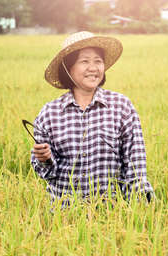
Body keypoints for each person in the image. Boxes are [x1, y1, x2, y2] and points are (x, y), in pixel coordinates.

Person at [31, 31, 153, 203]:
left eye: (98, 61)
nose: (93, 68)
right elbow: (46, 173)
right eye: (84, 61)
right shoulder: (50, 113)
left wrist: (143, 211)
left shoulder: (121, 106)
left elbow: (136, 169)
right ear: (68, 67)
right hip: (65, 217)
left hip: (113, 215)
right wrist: (45, 159)